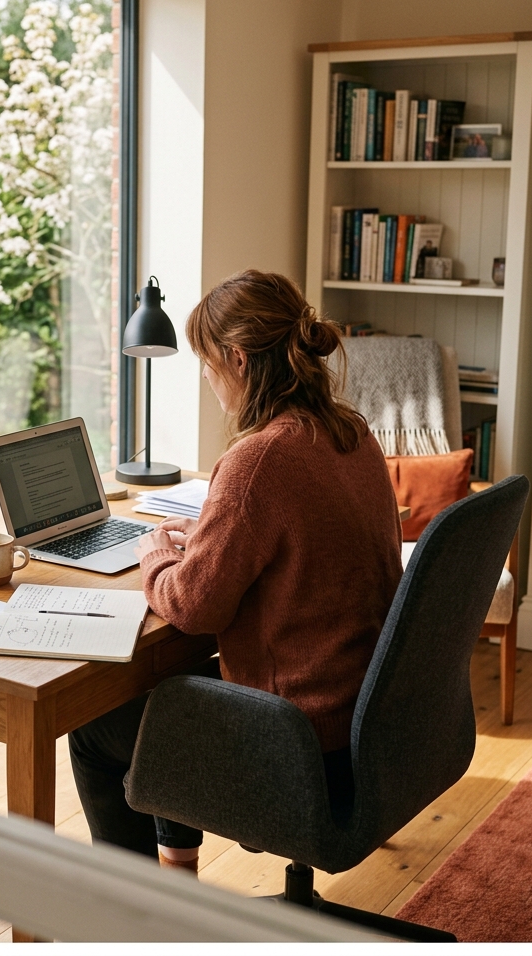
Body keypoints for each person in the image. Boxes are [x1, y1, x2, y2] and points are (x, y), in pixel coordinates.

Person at [68, 269, 404, 874]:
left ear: (238, 359)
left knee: (94, 729)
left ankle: (132, 922)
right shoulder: (350, 431)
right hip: (368, 726)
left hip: (294, 746)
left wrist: (156, 555)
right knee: (179, 693)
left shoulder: (259, 459)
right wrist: (208, 537)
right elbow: (305, 544)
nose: (204, 376)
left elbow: (194, 606)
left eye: (205, 362)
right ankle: (177, 869)